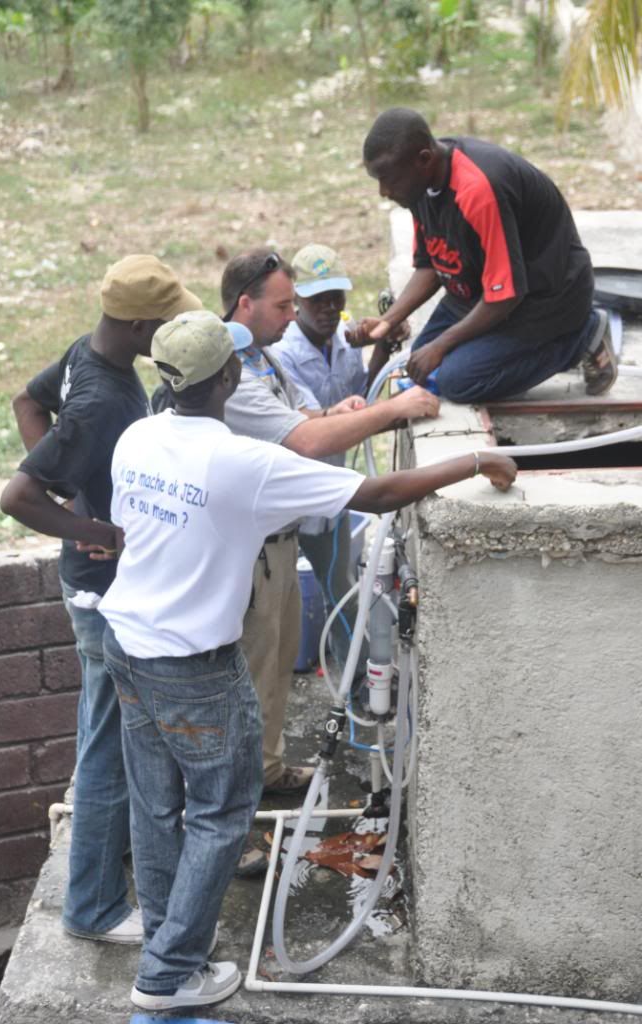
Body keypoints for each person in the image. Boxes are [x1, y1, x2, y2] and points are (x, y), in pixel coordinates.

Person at [95, 309, 516, 1012]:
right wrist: (474, 458)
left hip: (127, 649)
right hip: (194, 665)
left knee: (157, 806)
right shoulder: (243, 462)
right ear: (229, 376)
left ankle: (168, 948)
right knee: (220, 813)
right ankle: (168, 977)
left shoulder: (137, 436)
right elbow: (374, 495)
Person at [0, 254, 201, 944]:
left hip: (95, 589)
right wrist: (87, 524)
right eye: (167, 323)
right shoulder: (101, 400)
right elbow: (15, 495)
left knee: (107, 735)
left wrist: (73, 489)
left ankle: (102, 876)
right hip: (102, 597)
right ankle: (92, 907)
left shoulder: (87, 356)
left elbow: (28, 403)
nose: (172, 332)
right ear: (141, 324)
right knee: (107, 749)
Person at [220, 247, 440, 874]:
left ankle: (267, 771)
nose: (293, 315)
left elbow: (305, 416)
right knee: (245, 687)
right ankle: (233, 832)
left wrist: (343, 410)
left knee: (273, 677)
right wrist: (390, 411)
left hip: (281, 548)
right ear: (246, 304)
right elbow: (306, 440)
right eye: (284, 304)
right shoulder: (231, 370)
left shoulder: (262, 357)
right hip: (254, 555)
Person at [350, 107, 617, 404]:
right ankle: (506, 356)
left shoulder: (478, 190)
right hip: (480, 290)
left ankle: (583, 336)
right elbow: (431, 264)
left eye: (389, 180)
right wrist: (387, 321)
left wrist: (443, 344)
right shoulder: (419, 182)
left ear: (424, 159)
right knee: (420, 367)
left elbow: (505, 295)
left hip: (545, 298)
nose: (383, 191)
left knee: (457, 381)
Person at [271, 242, 398, 669]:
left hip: (332, 496)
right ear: (297, 303)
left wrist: (384, 344)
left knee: (341, 590)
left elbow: (359, 396)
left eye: (336, 298)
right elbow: (314, 426)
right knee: (279, 598)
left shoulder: (342, 342)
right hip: (289, 499)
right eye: (317, 300)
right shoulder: (283, 352)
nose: (329, 308)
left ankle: (354, 683)